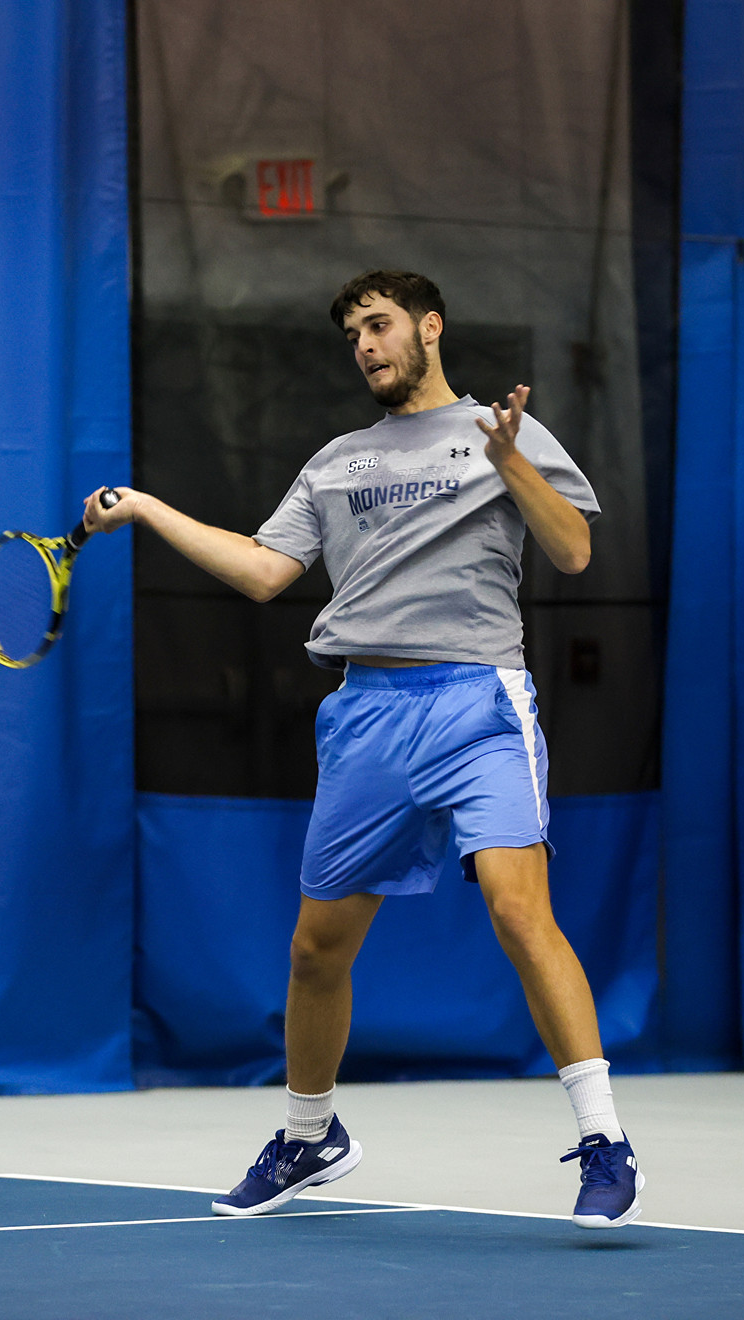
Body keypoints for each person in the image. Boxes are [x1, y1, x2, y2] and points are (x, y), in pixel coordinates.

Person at [79, 269, 639, 1229]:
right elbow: (264, 570)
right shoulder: (337, 460)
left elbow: (575, 553)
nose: (366, 346)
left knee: (517, 908)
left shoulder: (503, 432)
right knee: (315, 950)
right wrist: (146, 510)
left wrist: (512, 468)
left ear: (429, 327)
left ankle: (604, 1139)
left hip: (475, 702)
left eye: (379, 326)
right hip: (367, 713)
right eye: (352, 336)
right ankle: (309, 1136)